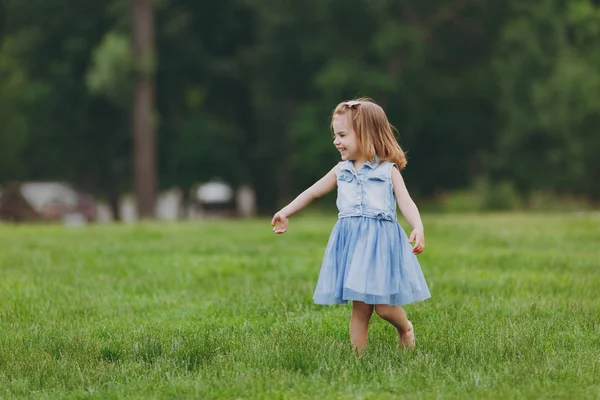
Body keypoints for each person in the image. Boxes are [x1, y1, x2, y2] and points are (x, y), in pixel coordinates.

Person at [271, 98, 431, 352]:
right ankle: (359, 360)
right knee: (360, 307)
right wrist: (285, 211)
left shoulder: (387, 170)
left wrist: (418, 226)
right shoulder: (341, 171)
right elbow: (311, 192)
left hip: (380, 246)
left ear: (367, 134)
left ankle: (405, 328)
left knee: (384, 308)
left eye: (343, 135)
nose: (336, 141)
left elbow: (406, 202)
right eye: (335, 135)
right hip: (353, 245)